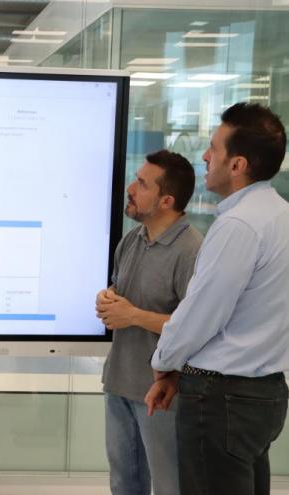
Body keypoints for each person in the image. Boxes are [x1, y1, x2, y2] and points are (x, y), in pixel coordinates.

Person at [146, 103, 289, 495]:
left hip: (223, 400)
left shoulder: (238, 225)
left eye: (213, 149)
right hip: (265, 393)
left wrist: (164, 363)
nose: (205, 157)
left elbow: (201, 314)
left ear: (237, 164)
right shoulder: (280, 215)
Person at [97, 149, 202, 495]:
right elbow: (121, 293)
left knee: (169, 486)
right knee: (123, 485)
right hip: (119, 382)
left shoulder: (192, 251)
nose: (130, 188)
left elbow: (197, 327)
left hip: (163, 394)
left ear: (166, 201)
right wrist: (108, 299)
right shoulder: (132, 239)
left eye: (142, 184)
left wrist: (133, 315)